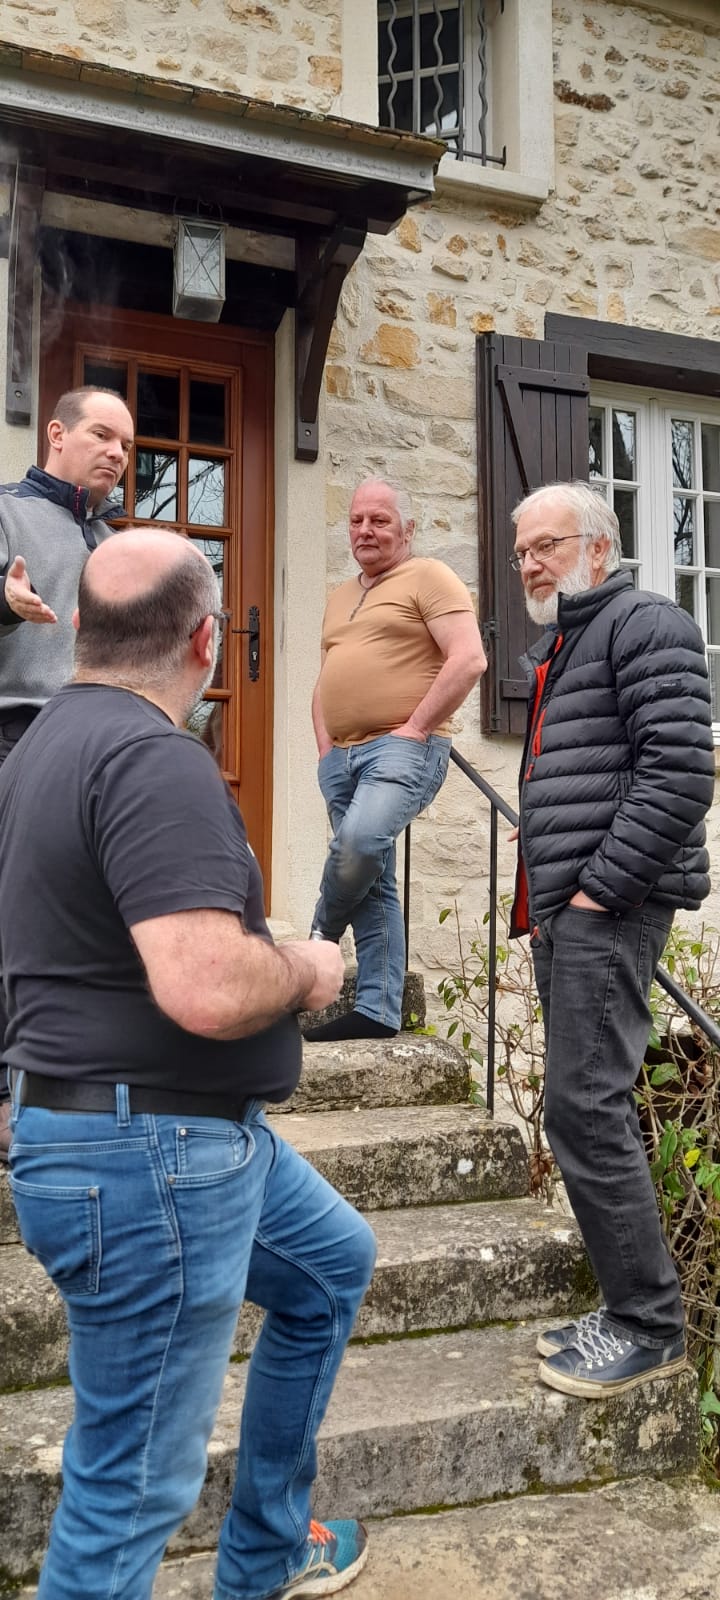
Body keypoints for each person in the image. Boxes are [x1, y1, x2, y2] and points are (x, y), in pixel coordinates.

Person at [2, 529, 376, 1600]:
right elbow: (207, 984)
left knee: (331, 1265)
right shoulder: (154, 757)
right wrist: (308, 969)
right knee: (124, 1497)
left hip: (156, 1139)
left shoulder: (33, 750)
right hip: (154, 1162)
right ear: (208, 642)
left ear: (79, 627)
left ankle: (264, 1555)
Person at [509, 480, 715, 1397]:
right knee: (579, 1109)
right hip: (570, 909)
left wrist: (599, 893)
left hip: (610, 909)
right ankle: (624, 1311)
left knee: (586, 1109)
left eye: (545, 546)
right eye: (521, 551)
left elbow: (681, 772)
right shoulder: (568, 642)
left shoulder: (646, 624)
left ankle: (648, 1326)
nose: (529, 563)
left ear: (598, 546)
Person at [0, 384, 134, 1162]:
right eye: (103, 435)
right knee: (14, 920)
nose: (118, 453)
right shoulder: (7, 513)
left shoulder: (113, 543)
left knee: (89, 920)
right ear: (57, 433)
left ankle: (78, 1085)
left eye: (127, 444)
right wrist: (4, 599)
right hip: (15, 740)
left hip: (98, 748)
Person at [304, 478, 487, 1043]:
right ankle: (378, 1009)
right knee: (373, 879)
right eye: (357, 520)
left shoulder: (430, 577)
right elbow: (327, 676)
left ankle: (317, 941)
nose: (365, 530)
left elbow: (469, 659)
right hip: (342, 757)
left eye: (379, 520)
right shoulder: (341, 595)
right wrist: (326, 748)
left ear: (407, 529)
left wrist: (415, 729)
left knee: (358, 846)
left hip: (401, 748)